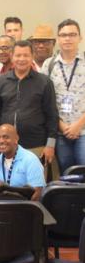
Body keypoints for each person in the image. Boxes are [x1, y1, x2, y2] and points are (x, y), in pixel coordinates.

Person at [0, 40, 59, 180]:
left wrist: (50, 145)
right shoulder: (2, 80)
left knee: (35, 190)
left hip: (36, 147)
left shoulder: (44, 82)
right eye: (18, 55)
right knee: (10, 189)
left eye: (26, 55)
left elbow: (52, 115)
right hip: (8, 148)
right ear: (12, 56)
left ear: (32, 56)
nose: (21, 59)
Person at [41, 19, 85, 174]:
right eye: (63, 35)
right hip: (59, 132)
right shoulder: (49, 64)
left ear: (80, 38)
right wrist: (60, 125)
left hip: (83, 130)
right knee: (66, 175)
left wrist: (78, 125)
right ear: (58, 39)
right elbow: (44, 101)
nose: (67, 38)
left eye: (72, 34)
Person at [0, 124, 46, 200]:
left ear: (16, 139)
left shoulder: (31, 160)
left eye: (6, 137)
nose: (1, 141)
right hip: (1, 207)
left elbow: (37, 193)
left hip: (25, 208)